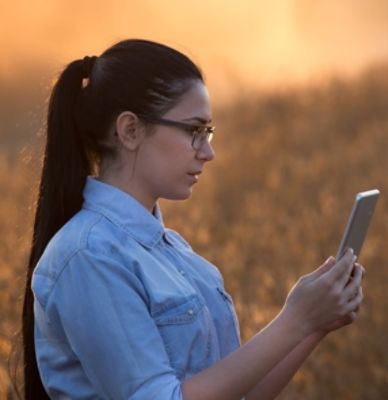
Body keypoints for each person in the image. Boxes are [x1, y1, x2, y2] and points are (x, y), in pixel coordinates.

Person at [21, 39, 364, 400]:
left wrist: (312, 325)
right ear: (130, 131)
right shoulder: (88, 257)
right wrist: (294, 320)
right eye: (194, 131)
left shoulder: (173, 252)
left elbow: (238, 394)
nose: (208, 151)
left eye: (208, 132)